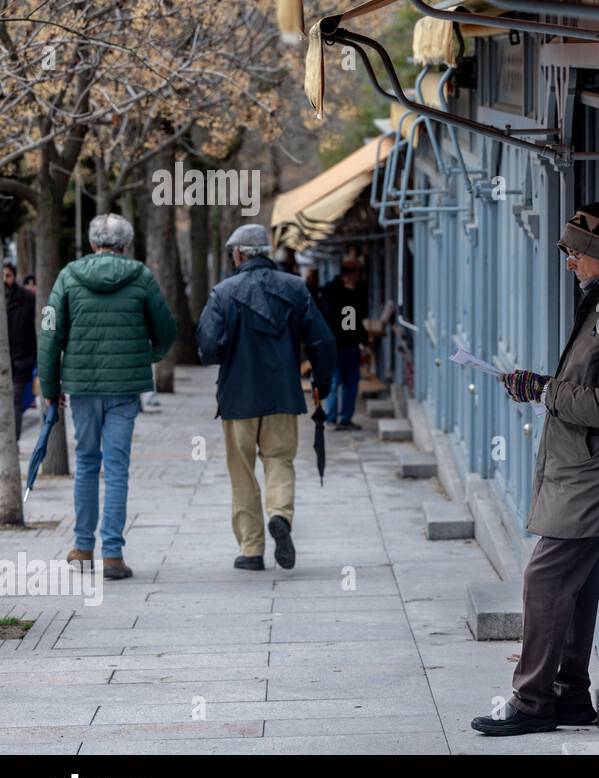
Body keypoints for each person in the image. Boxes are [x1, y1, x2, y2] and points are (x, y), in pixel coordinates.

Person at [471, 202, 599, 737]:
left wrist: (545, 389)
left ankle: (532, 699)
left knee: (545, 578)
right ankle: (568, 695)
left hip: (595, 471)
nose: (568, 262)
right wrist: (543, 383)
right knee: (578, 583)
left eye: (573, 253)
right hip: (583, 465)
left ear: (598, 254)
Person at [38, 213, 177, 581]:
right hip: (123, 391)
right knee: (116, 468)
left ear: (91, 242)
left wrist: (51, 389)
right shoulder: (141, 275)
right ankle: (112, 554)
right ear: (125, 245)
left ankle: (83, 548)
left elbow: (50, 335)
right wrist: (145, 356)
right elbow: (166, 329)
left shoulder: (69, 275)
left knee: (86, 464)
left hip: (81, 389)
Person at [196, 224, 336, 571]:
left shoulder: (223, 293)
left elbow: (208, 349)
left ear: (240, 254)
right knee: (279, 460)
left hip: (237, 398)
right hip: (282, 396)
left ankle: (251, 548)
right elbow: (323, 341)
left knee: (242, 471)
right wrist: (322, 382)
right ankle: (280, 515)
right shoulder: (296, 288)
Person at [320, 258, 367, 431]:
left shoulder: (355, 291)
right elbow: (341, 317)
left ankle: (345, 418)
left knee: (351, 383)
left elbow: (357, 317)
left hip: (350, 344)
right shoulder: (332, 292)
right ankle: (331, 418)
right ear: (349, 275)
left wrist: (362, 340)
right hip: (337, 344)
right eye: (356, 275)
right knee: (335, 381)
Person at [4, 261, 36, 441]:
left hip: (21, 359)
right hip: (4, 360)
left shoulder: (27, 298)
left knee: (16, 401)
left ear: (14, 276)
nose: (4, 279)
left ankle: (12, 441)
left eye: (8, 275)